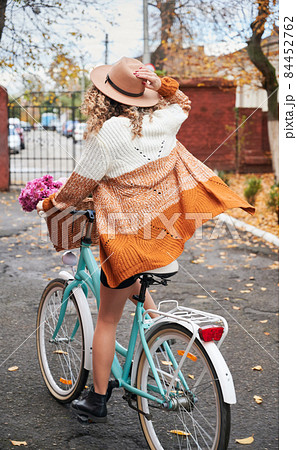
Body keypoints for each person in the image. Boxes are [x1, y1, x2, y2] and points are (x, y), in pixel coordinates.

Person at [38, 56, 254, 423]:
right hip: (161, 233)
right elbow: (182, 102)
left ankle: (98, 400)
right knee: (137, 280)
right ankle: (160, 339)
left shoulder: (108, 135)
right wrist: (159, 86)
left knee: (106, 319)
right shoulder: (165, 120)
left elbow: (78, 187)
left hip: (126, 239)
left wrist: (51, 204)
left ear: (104, 97)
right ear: (141, 93)